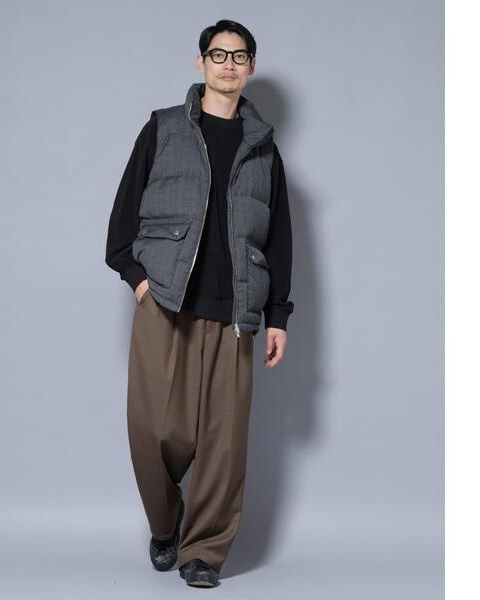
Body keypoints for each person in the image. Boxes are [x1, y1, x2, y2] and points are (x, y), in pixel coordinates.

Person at [105, 19, 294, 588]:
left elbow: (279, 237)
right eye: (218, 54)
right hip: (166, 302)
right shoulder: (163, 128)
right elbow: (122, 220)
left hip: (235, 310)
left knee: (223, 442)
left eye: (239, 56)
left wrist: (277, 316)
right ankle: (166, 526)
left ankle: (204, 553)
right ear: (201, 62)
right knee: (154, 430)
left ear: (251, 67)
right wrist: (139, 281)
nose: (228, 64)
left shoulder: (264, 149)